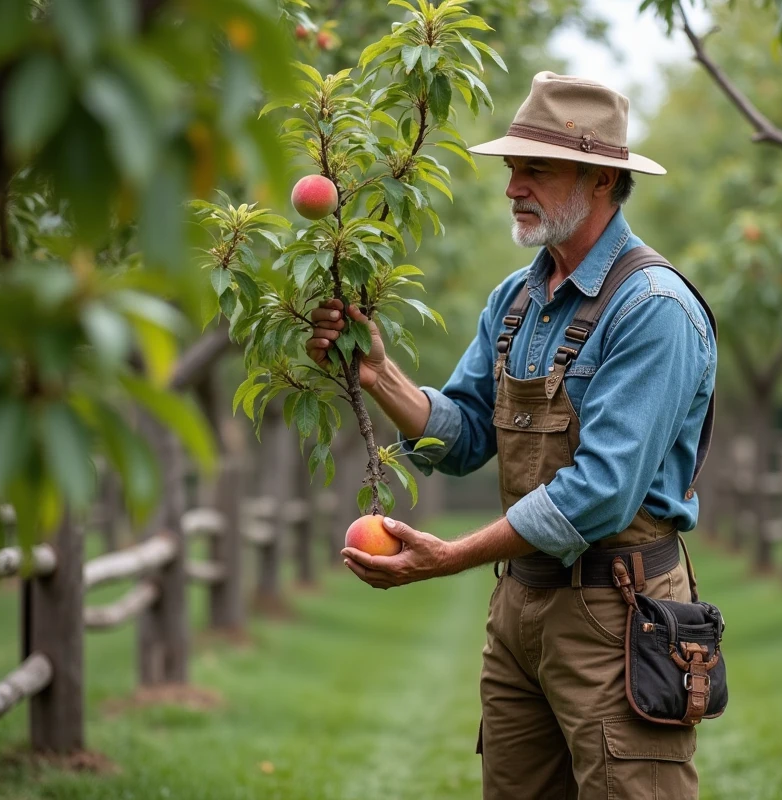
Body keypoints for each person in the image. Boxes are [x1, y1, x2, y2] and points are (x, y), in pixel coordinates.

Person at [306, 72, 717, 799]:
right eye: (511, 168)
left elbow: (600, 494)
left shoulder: (653, 310)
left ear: (597, 179)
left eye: (536, 168)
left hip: (619, 618)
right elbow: (462, 436)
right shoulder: (518, 299)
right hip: (520, 609)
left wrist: (452, 556)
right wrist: (380, 376)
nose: (512, 187)